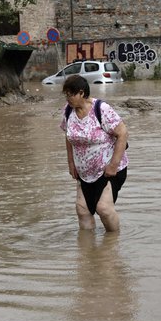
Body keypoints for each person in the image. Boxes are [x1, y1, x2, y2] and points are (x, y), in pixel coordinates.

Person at [60, 75, 129, 232]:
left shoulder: (101, 109)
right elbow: (68, 135)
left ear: (82, 93)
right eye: (66, 94)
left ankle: (112, 244)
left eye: (70, 94)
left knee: (103, 208)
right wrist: (71, 163)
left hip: (108, 170)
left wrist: (113, 165)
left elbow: (123, 133)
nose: (67, 98)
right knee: (82, 210)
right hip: (84, 171)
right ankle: (88, 252)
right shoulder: (68, 110)